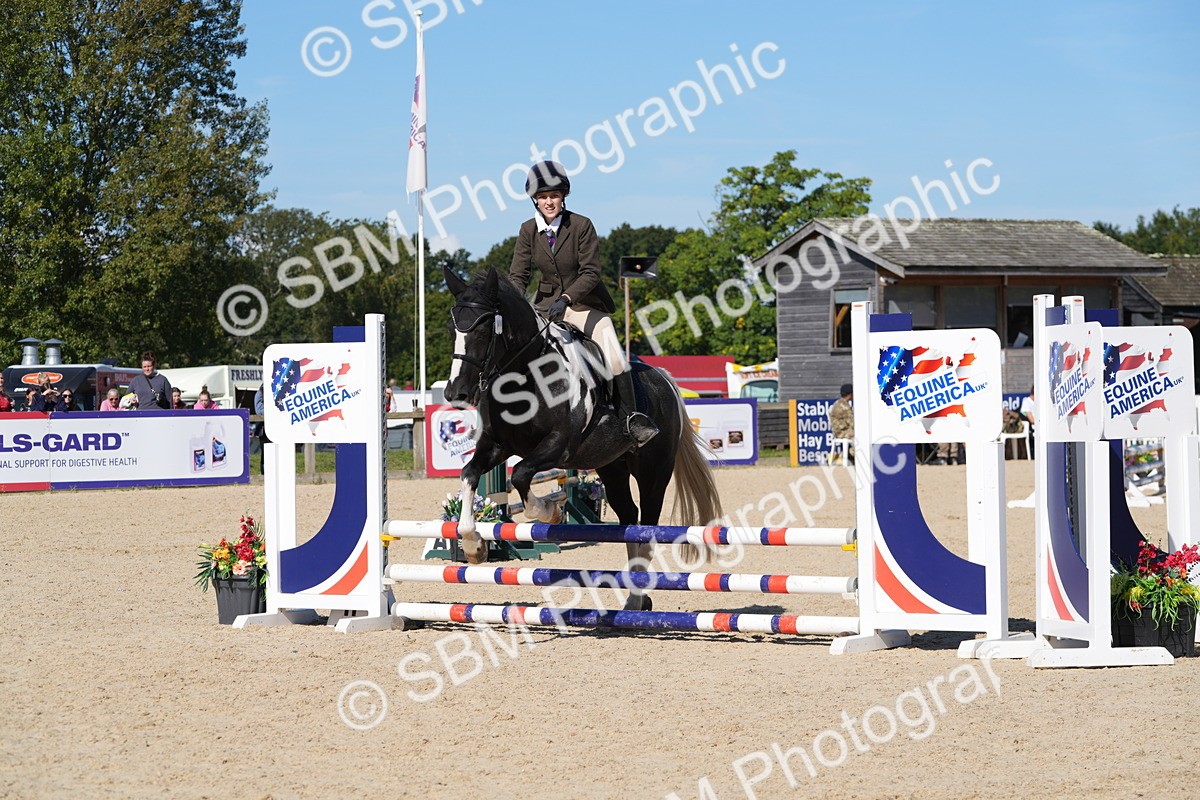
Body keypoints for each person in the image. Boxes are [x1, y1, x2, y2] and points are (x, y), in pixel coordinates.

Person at [508, 160, 656, 446]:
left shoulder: (581, 225)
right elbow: (518, 275)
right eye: (543, 197)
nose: (549, 202)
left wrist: (567, 298)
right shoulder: (527, 230)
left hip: (583, 305)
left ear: (563, 195)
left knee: (612, 352)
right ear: (534, 200)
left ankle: (632, 419)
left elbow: (591, 272)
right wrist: (517, 307)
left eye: (554, 195)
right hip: (545, 308)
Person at [828, 383, 854, 463]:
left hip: (838, 432)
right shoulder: (845, 407)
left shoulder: (837, 403)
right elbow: (852, 423)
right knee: (862, 435)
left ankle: (849, 456)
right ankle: (852, 455)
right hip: (843, 433)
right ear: (850, 395)